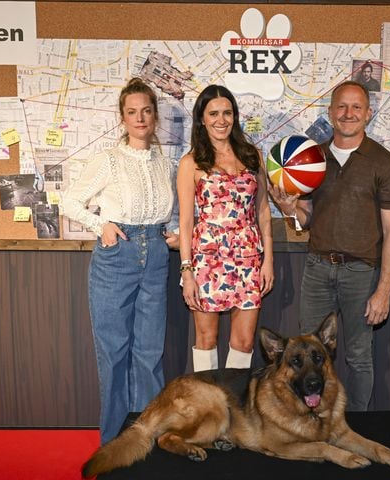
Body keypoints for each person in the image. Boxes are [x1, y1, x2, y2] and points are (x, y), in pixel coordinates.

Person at [269, 81, 390, 411]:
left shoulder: (384, 163)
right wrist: (288, 207)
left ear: (368, 114)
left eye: (357, 107)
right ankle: (311, 422)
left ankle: (357, 425)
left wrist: (383, 289)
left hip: (362, 273)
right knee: (307, 355)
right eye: (341, 107)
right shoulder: (313, 160)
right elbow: (308, 216)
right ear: (330, 113)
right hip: (317, 268)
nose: (348, 113)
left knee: (359, 356)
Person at [61, 78, 179, 445]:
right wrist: (102, 225)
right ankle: (113, 441)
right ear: (122, 118)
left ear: (155, 116)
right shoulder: (108, 160)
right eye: (132, 112)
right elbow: (69, 202)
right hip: (117, 255)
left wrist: (172, 232)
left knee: (149, 352)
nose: (140, 118)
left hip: (156, 255)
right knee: (113, 352)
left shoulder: (165, 163)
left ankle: (149, 438)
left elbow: (167, 212)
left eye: (146, 111)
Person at [177, 85, 274, 372]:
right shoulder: (191, 162)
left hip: (248, 258)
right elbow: (185, 221)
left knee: (244, 342)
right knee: (206, 339)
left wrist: (268, 260)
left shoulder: (252, 155)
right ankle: (210, 412)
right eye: (214, 113)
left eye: (227, 113)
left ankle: (234, 412)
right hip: (207, 259)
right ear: (202, 119)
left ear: (235, 116)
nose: (221, 120)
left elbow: (263, 211)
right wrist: (186, 271)